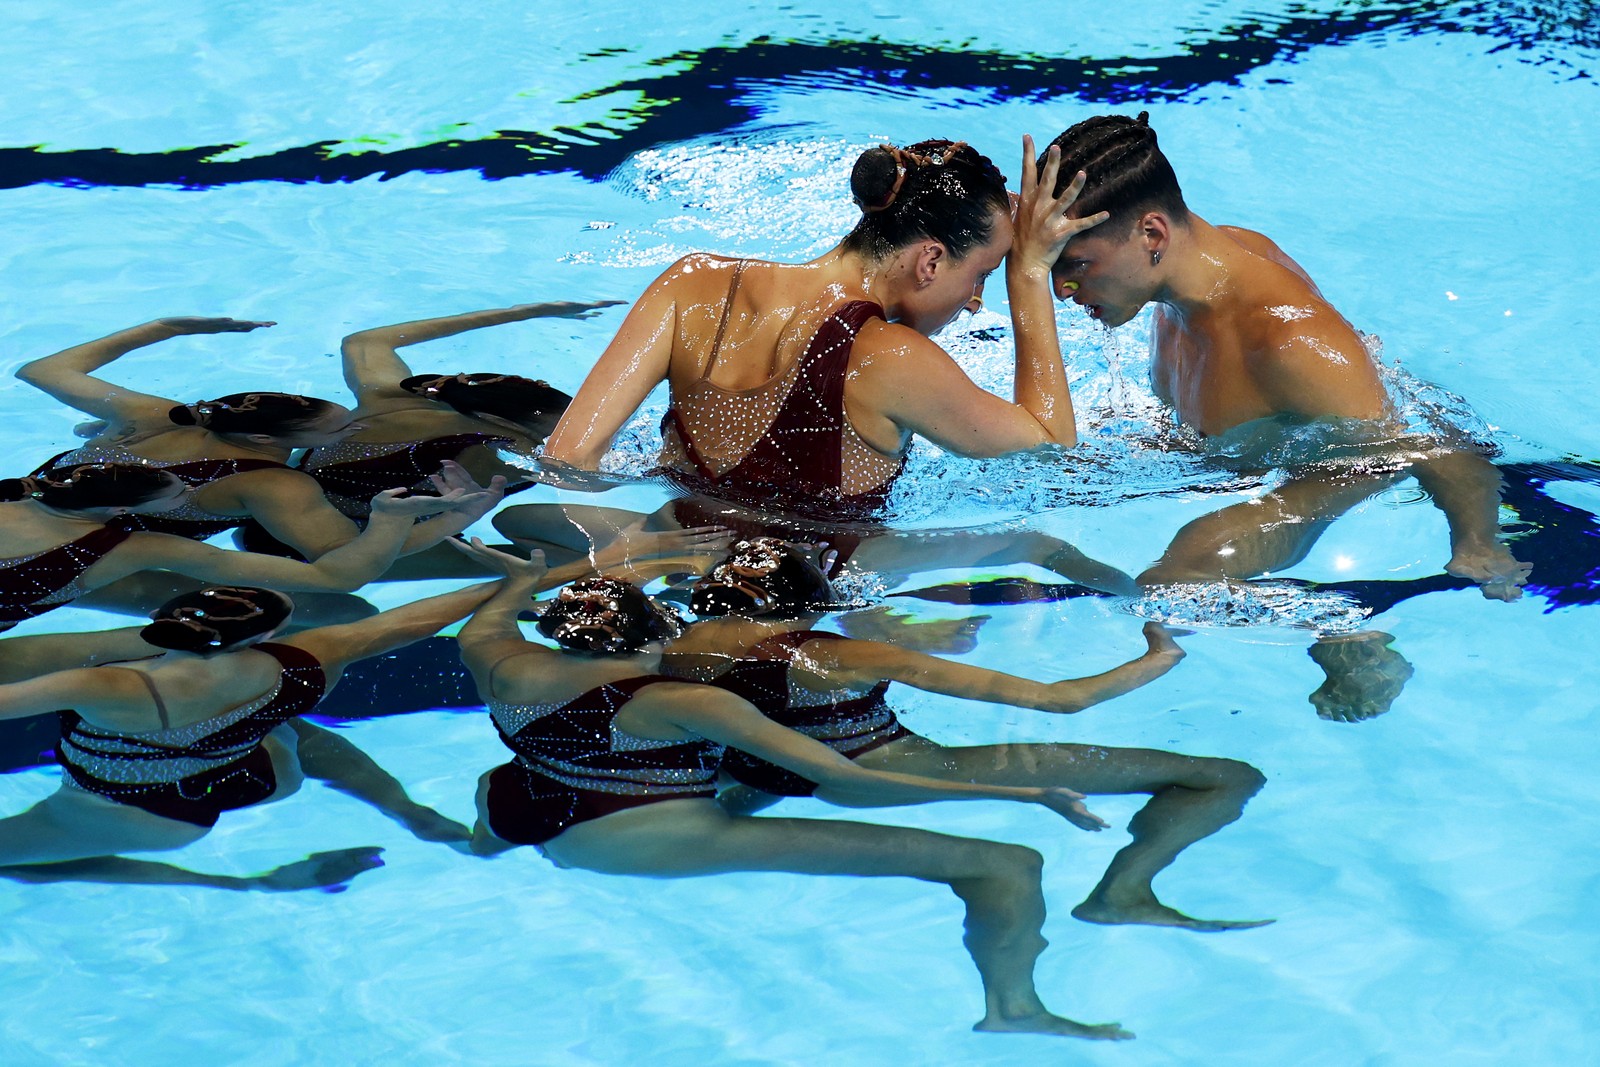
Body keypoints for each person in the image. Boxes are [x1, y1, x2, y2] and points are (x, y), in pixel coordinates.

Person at [452, 539, 1135, 1041]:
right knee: (1006, 864)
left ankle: (482, 848)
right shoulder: (680, 700)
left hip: (519, 803)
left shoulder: (505, 664)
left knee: (525, 781)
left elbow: (487, 619)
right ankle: (1013, 1009)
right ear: (647, 640)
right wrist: (1028, 796)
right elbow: (837, 773)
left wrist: (522, 581)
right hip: (641, 840)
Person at [1039, 112, 1528, 716]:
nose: (1060, 289)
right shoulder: (1185, 279)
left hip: (1341, 471)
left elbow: (1421, 443)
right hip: (1263, 448)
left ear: (1152, 235)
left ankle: (1337, 626)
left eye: (1076, 265)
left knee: (1175, 582)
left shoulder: (1288, 340)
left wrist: (1476, 541)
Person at [672, 538, 1269, 930]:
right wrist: (1157, 657)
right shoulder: (841, 657)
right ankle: (1123, 894)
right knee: (1225, 778)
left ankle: (721, 820)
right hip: (889, 770)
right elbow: (1061, 700)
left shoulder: (674, 647)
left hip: (768, 771)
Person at [535, 136, 1103, 520]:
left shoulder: (690, 285)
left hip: (681, 585)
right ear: (930, 262)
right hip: (805, 640)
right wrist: (1029, 274)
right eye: (981, 275)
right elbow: (1051, 448)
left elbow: (565, 461)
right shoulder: (890, 359)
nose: (977, 302)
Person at [0, 582, 500, 891]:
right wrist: (521, 583)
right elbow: (404, 622)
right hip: (262, 775)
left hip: (138, 812)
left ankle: (250, 887)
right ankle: (407, 810)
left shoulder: (107, 684)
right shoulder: (303, 663)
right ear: (265, 638)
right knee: (264, 721)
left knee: (12, 860)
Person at [13, 317, 504, 578]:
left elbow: (40, 371)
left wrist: (166, 328)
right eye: (336, 431)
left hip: (16, 514)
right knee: (337, 611)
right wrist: (451, 518)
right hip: (70, 558)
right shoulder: (272, 485)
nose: (356, 427)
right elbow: (346, 564)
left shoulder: (156, 415)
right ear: (264, 440)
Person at [0, 461, 488, 636]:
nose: (187, 493)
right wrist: (432, 518)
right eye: (177, 495)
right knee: (341, 612)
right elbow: (336, 576)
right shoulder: (134, 547)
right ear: (115, 512)